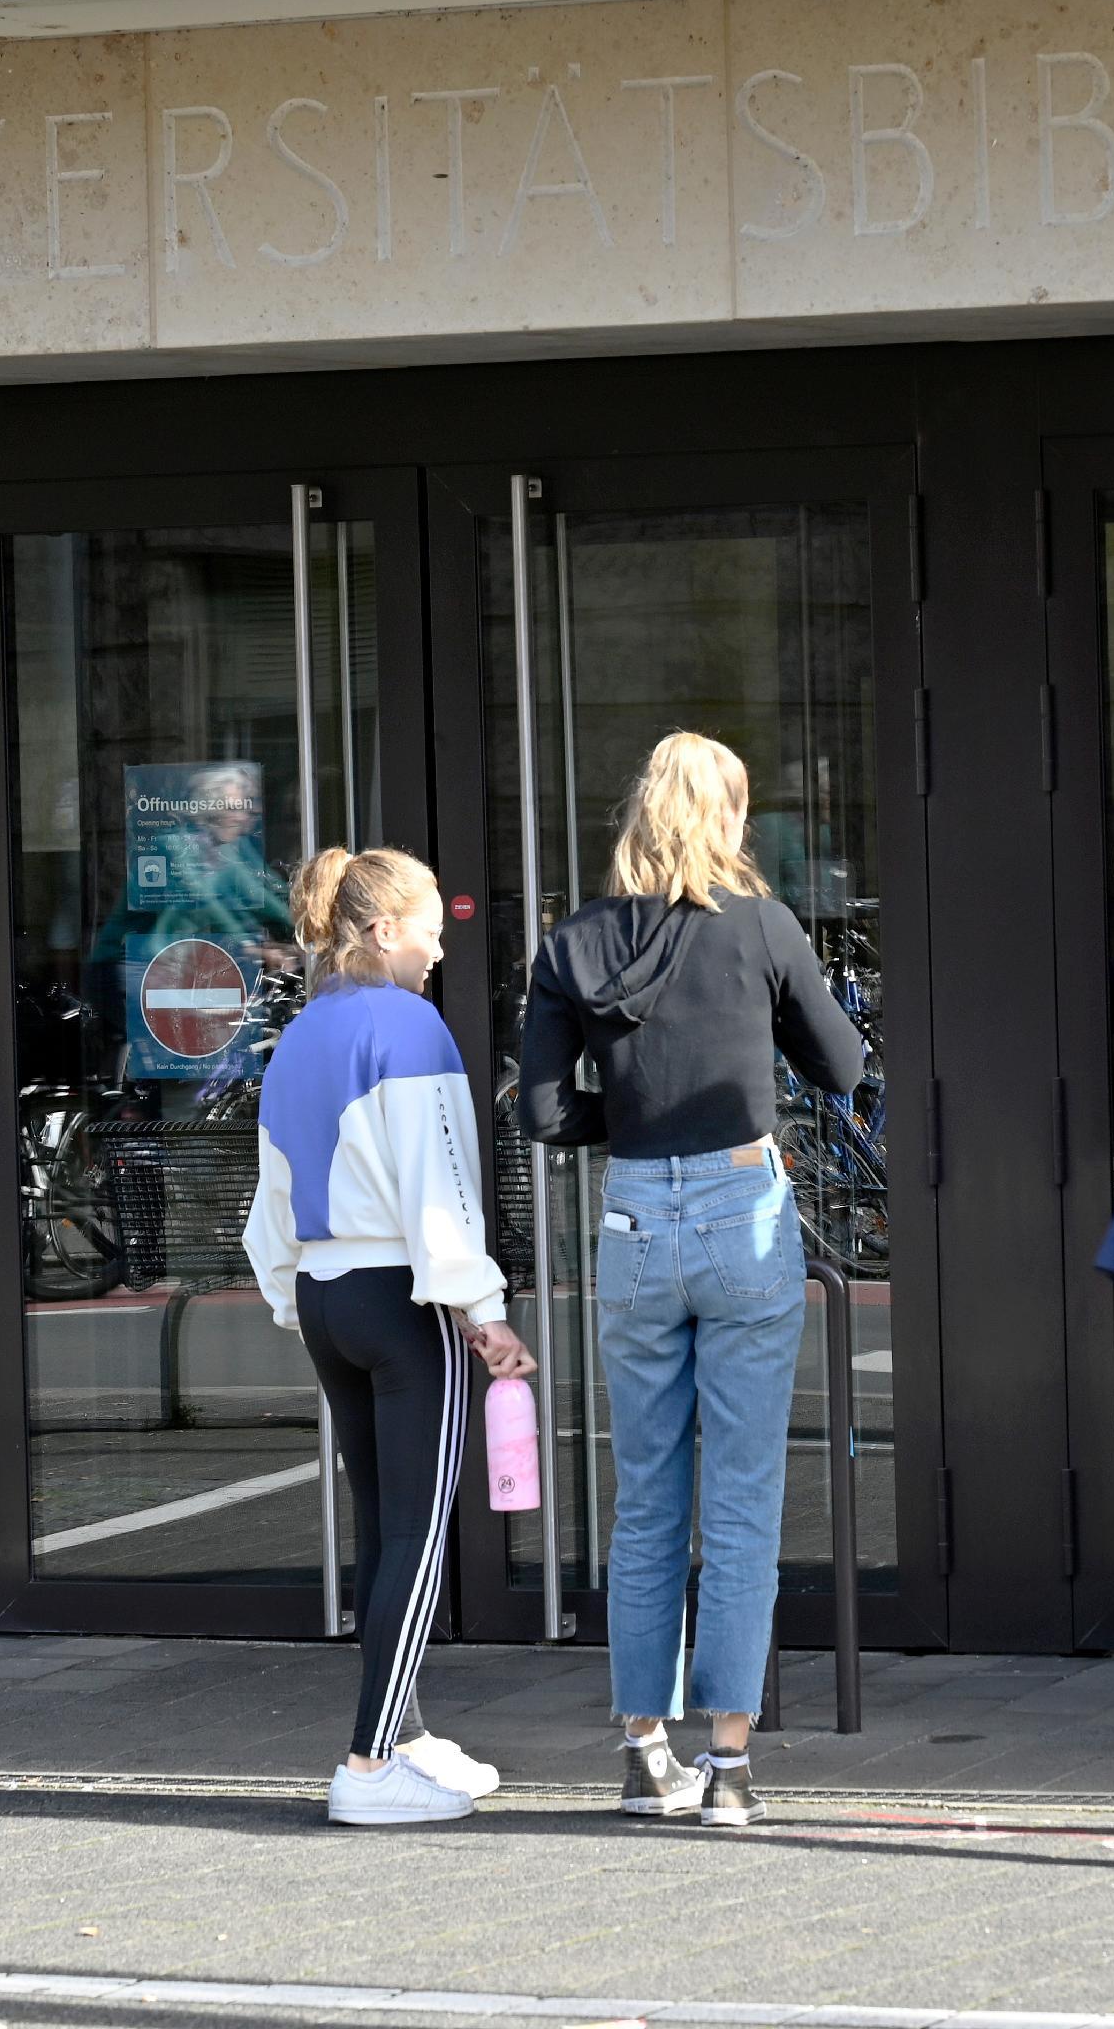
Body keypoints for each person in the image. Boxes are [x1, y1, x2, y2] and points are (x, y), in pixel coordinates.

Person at [520, 731, 867, 1828]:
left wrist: (619, 1120)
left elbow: (535, 1109)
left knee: (646, 1499)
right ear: (726, 818)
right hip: (741, 1209)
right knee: (744, 1494)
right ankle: (728, 1768)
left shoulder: (569, 944)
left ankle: (640, 1752)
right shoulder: (761, 925)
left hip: (630, 1216)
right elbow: (846, 1066)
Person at [243, 846, 538, 1826]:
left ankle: (404, 1736)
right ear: (380, 930)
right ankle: (370, 1763)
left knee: (382, 1527)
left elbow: (271, 1198)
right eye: (428, 930)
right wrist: (484, 1313)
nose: (438, 950)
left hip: (328, 1293)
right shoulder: (410, 1027)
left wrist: (295, 1296)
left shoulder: (301, 1034)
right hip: (403, 1298)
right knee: (417, 1538)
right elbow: (440, 1185)